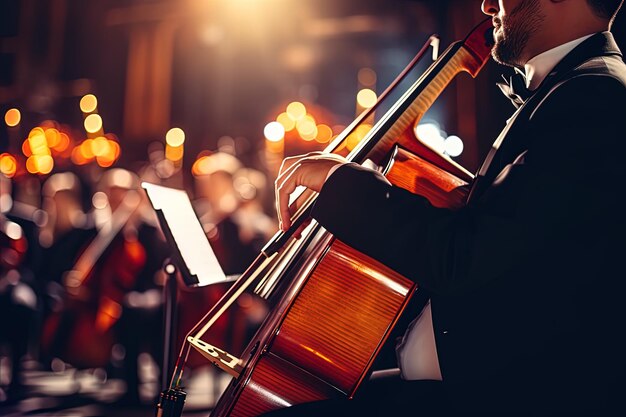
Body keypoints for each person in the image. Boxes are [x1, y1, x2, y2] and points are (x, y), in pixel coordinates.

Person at [270, 0, 626, 416]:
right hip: (463, 382)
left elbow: (465, 260)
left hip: (492, 396)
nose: (488, 4)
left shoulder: (592, 95)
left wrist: (339, 181)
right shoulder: (573, 89)